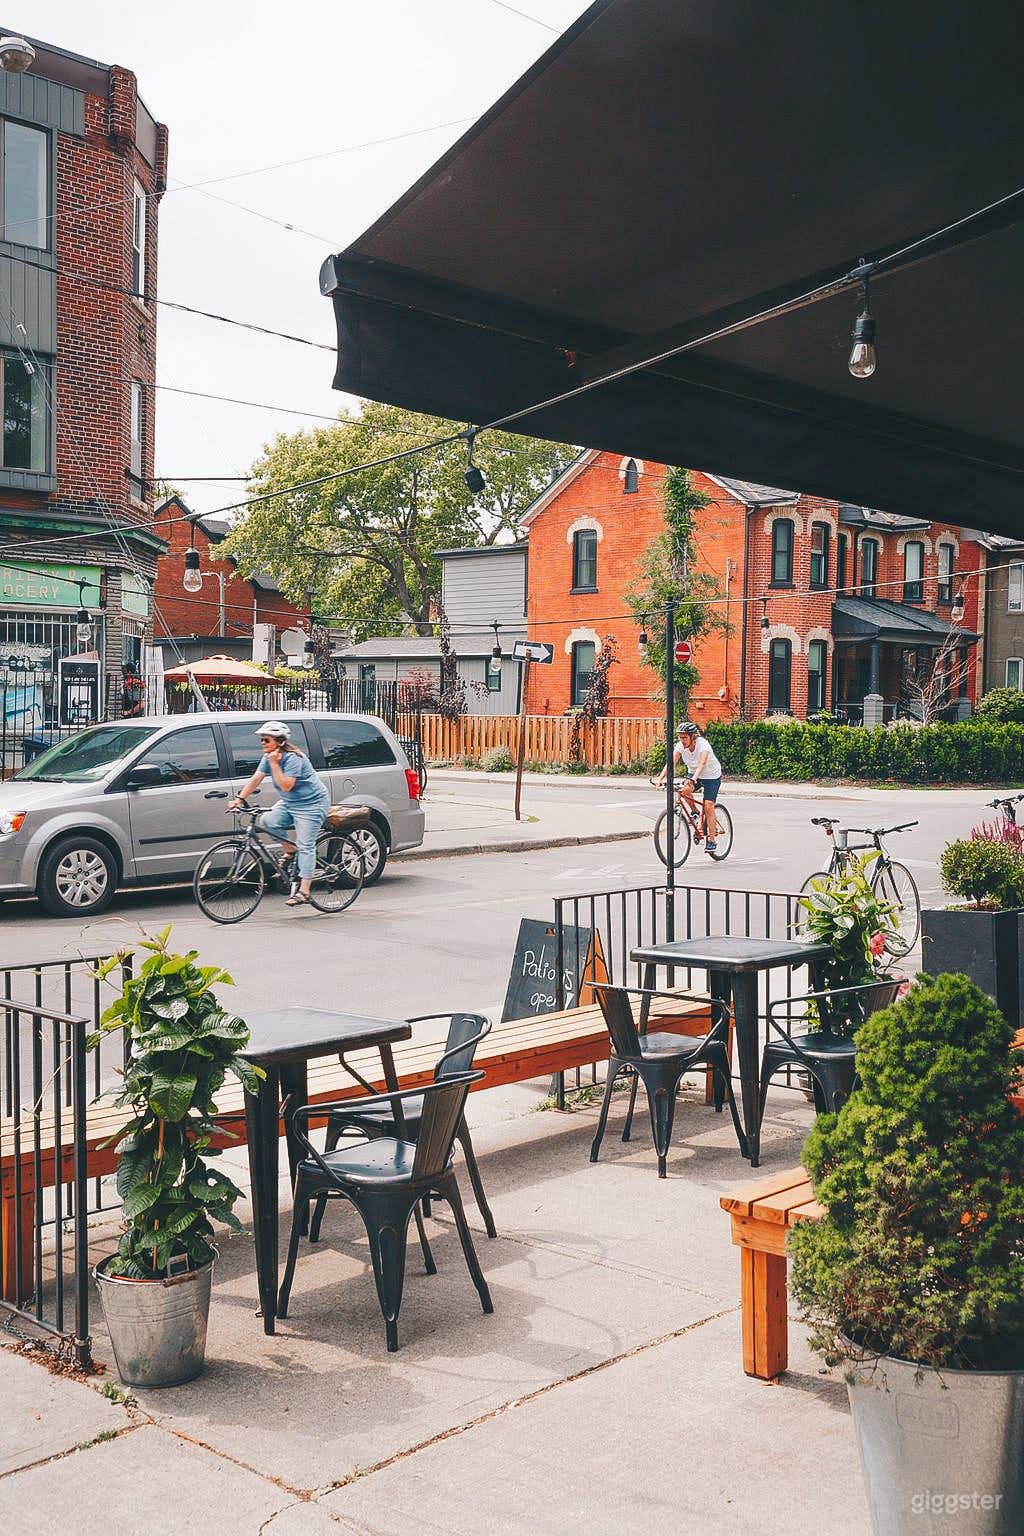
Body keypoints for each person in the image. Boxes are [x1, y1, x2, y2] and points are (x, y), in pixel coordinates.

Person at [229, 721, 329, 906]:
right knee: (268, 821)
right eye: (262, 740)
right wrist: (240, 799)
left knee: (305, 844)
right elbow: (256, 778)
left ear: (280, 741)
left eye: (266, 740)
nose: (263, 744)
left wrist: (274, 764)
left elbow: (286, 785)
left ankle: (305, 890)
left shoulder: (293, 758)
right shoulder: (268, 757)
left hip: (312, 804)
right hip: (291, 802)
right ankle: (290, 851)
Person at [655, 720, 723, 853]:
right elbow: (671, 762)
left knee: (708, 805)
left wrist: (693, 779)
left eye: (685, 737)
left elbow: (702, 764)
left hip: (711, 776)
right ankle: (695, 812)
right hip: (693, 773)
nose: (682, 740)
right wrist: (660, 778)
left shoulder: (703, 745)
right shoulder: (680, 746)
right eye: (680, 737)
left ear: (693, 737)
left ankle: (712, 840)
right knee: (683, 790)